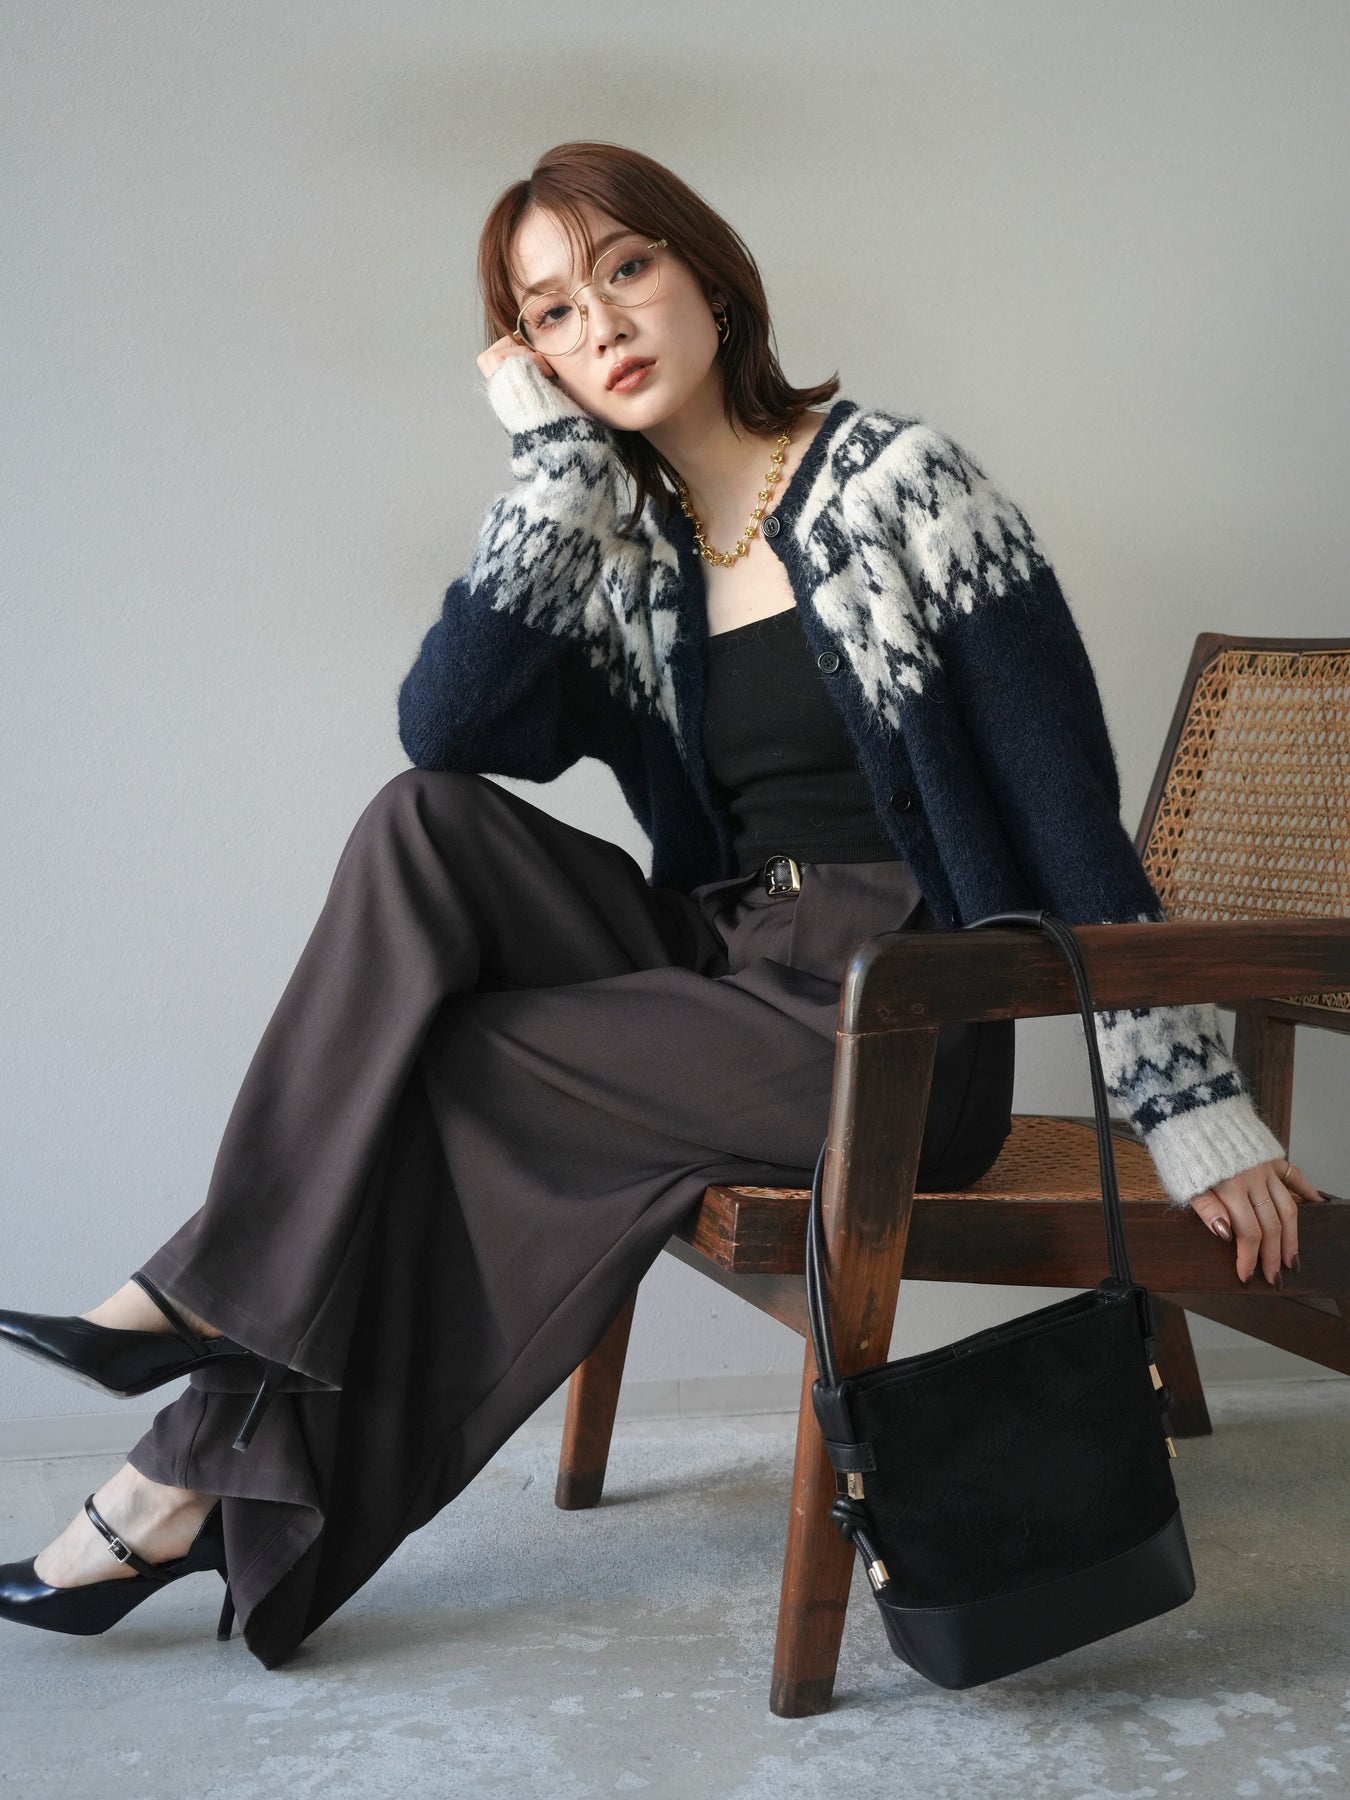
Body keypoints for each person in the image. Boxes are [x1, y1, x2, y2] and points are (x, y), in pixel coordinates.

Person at [0, 141, 1325, 1668]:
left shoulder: (904, 485)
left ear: (708, 273)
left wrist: (1187, 1105)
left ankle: (184, 1449)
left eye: (625, 268)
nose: (604, 323)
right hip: (726, 958)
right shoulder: (622, 544)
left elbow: (1062, 811)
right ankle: (208, 1399)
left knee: (458, 1064)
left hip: (903, 1015)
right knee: (422, 824)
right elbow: (451, 731)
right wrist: (552, 476)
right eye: (551, 313)